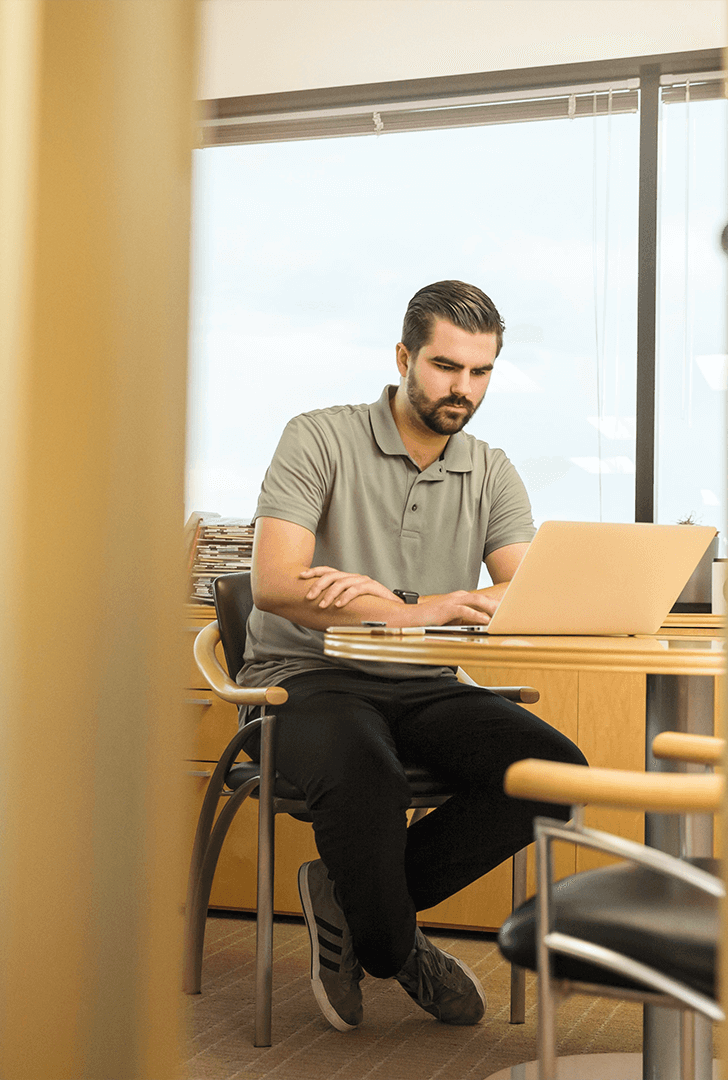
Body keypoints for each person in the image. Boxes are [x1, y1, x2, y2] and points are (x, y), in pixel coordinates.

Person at [238, 279, 587, 1031]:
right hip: (307, 675)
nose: (463, 388)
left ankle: (351, 898)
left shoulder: (490, 469)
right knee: (366, 773)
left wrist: (388, 603)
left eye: (481, 371)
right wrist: (417, 607)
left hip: (426, 682)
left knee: (554, 776)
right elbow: (274, 583)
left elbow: (520, 597)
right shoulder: (319, 436)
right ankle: (399, 948)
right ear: (404, 356)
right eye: (446, 366)